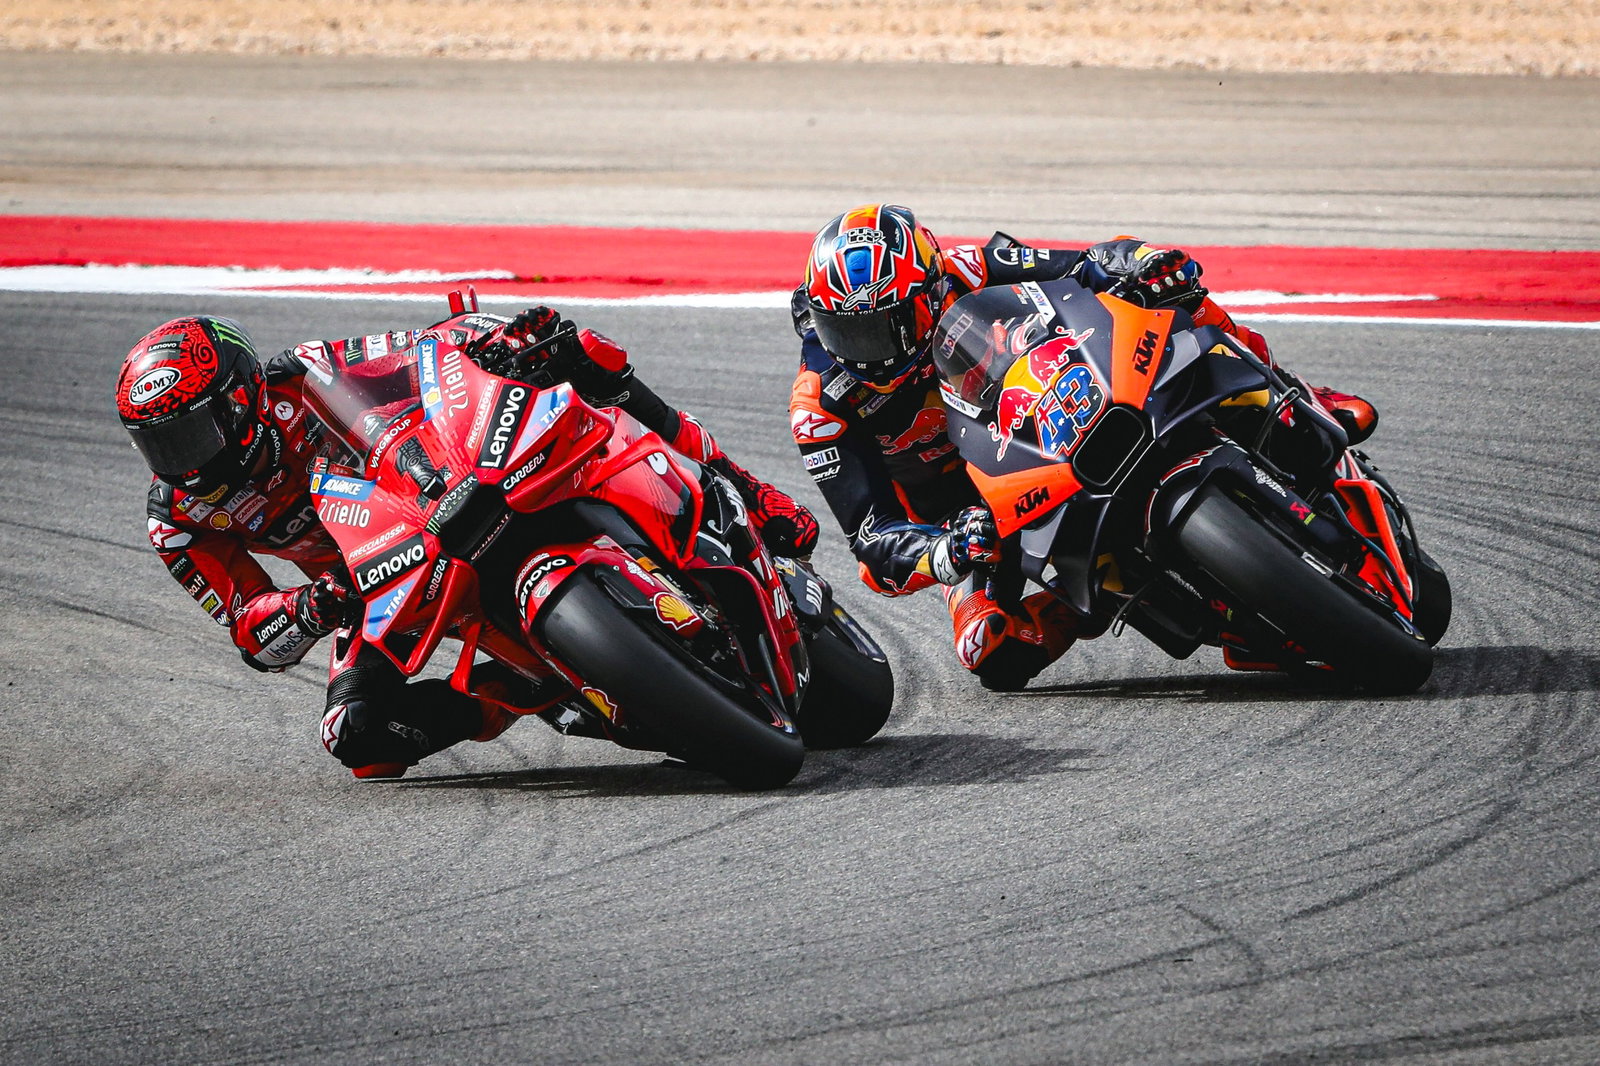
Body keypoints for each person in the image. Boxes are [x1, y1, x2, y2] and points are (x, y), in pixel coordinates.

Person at [116, 307, 818, 778]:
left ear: (239, 398)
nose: (183, 461)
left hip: (440, 477)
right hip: (369, 579)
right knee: (356, 737)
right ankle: (526, 689)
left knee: (581, 357)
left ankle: (745, 491)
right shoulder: (178, 519)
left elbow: (421, 350)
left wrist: (495, 339)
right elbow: (249, 629)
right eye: (160, 444)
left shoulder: (304, 374)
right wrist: (313, 605)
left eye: (191, 433)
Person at [788, 203, 1378, 690]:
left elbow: (1089, 264)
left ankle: (1289, 390)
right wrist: (946, 550)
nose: (865, 351)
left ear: (928, 292)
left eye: (880, 327)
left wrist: (1141, 262)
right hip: (974, 513)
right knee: (989, 651)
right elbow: (872, 539)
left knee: (1169, 291)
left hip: (1053, 410)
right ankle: (1094, 599)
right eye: (845, 330)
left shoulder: (965, 269)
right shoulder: (821, 406)